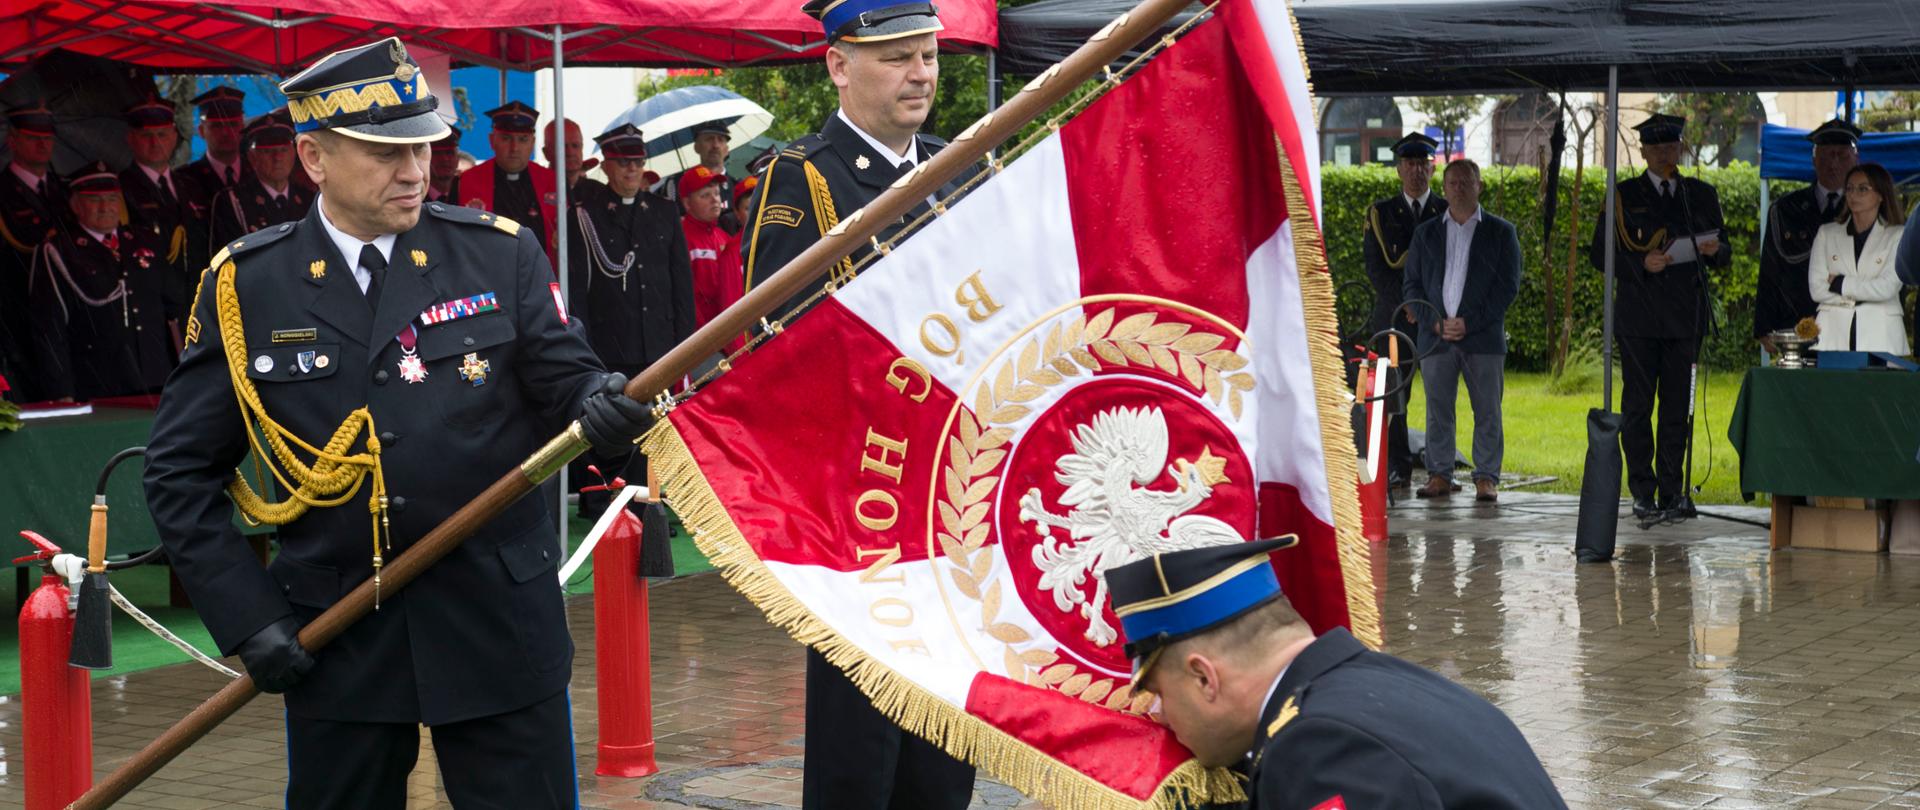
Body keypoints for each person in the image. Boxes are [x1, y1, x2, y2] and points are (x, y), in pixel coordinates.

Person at [141, 37, 654, 810]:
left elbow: (566, 377)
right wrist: (249, 621)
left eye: (422, 146)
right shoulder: (249, 285)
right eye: (385, 153)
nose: (414, 171)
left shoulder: (497, 255)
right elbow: (179, 471)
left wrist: (599, 404)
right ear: (312, 158)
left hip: (495, 619)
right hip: (337, 633)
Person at [747, 2, 979, 807]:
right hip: (861, 501)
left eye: (928, 55)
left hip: (953, 493)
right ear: (838, 65)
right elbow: (770, 350)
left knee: (946, 738)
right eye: (896, 57)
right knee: (862, 749)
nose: (921, 73)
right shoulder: (804, 177)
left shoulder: (959, 163)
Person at [1108, 539, 1568, 809]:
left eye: (1156, 690)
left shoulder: (1316, 748)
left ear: (1204, 678)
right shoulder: (1385, 686)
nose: (1156, 713)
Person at [1588, 113, 1728, 519]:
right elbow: (1601, 254)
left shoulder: (1700, 193)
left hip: (1686, 317)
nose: (1666, 153)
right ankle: (1642, 490)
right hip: (1639, 319)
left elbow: (1726, 249)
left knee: (1675, 409)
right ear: (1644, 151)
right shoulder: (1623, 194)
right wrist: (1639, 262)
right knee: (1637, 406)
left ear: (1681, 149)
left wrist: (1714, 251)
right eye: (1657, 147)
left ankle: (1672, 489)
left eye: (1672, 146)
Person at [565, 122, 694, 515]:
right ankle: (597, 498)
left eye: (637, 163)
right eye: (623, 164)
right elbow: (578, 288)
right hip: (608, 341)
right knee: (606, 423)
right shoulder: (584, 216)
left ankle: (645, 505)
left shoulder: (664, 211)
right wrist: (582, 347)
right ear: (606, 166)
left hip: (656, 340)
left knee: (651, 427)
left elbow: (680, 282)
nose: (631, 171)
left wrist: (685, 344)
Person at [1402, 159, 1520, 503]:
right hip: (1436, 338)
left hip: (1482, 339)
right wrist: (1433, 321)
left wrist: (1469, 322)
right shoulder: (1426, 233)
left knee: (1487, 409)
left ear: (1479, 186)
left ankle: (1486, 477)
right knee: (1438, 408)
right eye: (1452, 183)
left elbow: (1506, 288)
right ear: (1444, 188)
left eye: (1466, 182)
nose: (1459, 189)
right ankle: (1440, 474)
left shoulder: (1501, 232)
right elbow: (1411, 286)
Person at [28, 161, 177, 401]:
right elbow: (49, 328)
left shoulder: (145, 240)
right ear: (75, 205)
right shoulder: (59, 251)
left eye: (111, 198)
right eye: (94, 200)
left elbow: (175, 308)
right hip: (98, 381)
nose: (105, 207)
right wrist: (62, 392)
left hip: (156, 376)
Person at [1362, 132, 1447, 491]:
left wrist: (1426, 307)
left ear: (1432, 168)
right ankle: (1398, 466)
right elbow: (1377, 269)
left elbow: (1451, 268)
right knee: (1395, 396)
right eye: (1410, 164)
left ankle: (1441, 469)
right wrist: (1408, 305)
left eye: (1423, 165)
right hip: (1395, 319)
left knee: (1440, 396)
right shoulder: (1381, 213)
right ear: (1399, 169)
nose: (1417, 172)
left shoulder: (1445, 211)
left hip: (1436, 319)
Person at [1756, 119, 1859, 353]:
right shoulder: (1785, 210)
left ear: (1856, 159)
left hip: (1852, 326)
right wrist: (1764, 328)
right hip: (1797, 324)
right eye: (1825, 156)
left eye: (1842, 156)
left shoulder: (1866, 209)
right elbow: (1770, 271)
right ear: (1813, 159)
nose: (1833, 164)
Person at [120, 95, 209, 318]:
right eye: (146, 135)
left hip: (196, 303)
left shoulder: (192, 186)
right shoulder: (121, 189)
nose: (155, 142)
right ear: (130, 139)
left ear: (174, 137)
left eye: (161, 134)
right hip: (151, 308)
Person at [0, 102, 65, 403]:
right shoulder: (4, 191)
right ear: (12, 141)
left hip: (62, 315)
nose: (43, 144)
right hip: (15, 312)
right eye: (32, 137)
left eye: (48, 138)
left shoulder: (65, 191)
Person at [1810, 163, 1907, 353]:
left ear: (1881, 195)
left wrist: (1841, 283)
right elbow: (1817, 289)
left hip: (1882, 337)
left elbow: (1888, 287)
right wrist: (1858, 298)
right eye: (1850, 189)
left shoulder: (1898, 235)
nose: (1854, 194)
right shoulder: (1826, 233)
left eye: (1863, 189)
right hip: (1832, 335)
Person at [457, 101, 559, 266]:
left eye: (523, 139)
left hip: (540, 277)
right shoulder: (466, 181)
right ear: (492, 141)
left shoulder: (553, 182)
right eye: (506, 138)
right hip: (488, 277)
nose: (515, 148)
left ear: (532, 143)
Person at [209, 110, 314, 250]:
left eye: (283, 150)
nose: (277, 158)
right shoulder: (233, 201)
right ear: (252, 157)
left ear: (295, 153)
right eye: (267, 151)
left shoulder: (309, 197)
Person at [681, 165, 745, 351]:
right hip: (703, 344)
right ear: (686, 203)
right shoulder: (681, 239)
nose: (715, 200)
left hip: (730, 335)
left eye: (716, 193)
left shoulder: (723, 236)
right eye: (705, 195)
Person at [178, 86, 249, 210]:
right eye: (216, 126)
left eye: (232, 124)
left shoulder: (259, 171)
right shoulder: (186, 180)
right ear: (201, 131)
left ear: (243, 129)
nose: (225, 133)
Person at [663, 119, 739, 232]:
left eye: (721, 140)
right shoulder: (678, 183)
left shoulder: (738, 188)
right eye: (709, 139)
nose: (715, 145)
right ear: (696, 147)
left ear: (727, 150)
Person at [544, 117, 607, 200]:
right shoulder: (534, 190)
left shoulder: (600, 193)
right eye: (562, 146)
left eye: (575, 145)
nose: (570, 152)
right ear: (546, 153)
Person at [426, 126, 462, 203]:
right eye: (436, 153)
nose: (444, 159)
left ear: (458, 159)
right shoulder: (414, 194)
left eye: (449, 153)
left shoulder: (468, 192)